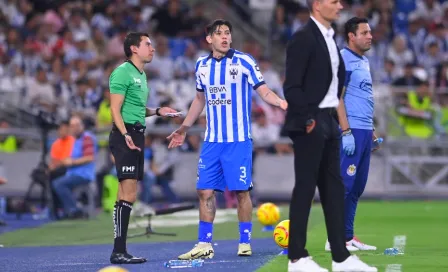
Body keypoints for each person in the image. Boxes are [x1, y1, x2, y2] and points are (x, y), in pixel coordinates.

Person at [167, 19, 287, 260]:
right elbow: (199, 100)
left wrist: (282, 102)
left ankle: (244, 242)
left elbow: (262, 90)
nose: (224, 37)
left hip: (238, 140)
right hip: (212, 141)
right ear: (209, 39)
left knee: (242, 192)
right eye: (219, 33)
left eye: (227, 33)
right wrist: (183, 128)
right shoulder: (201, 65)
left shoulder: (244, 61)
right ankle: (204, 244)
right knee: (204, 191)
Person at [283, 1, 377, 271]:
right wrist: (308, 119)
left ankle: (341, 257)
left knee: (334, 190)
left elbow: (333, 87)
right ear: (316, 5)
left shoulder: (330, 39)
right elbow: (291, 86)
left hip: (328, 122)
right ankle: (297, 258)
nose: (340, 5)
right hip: (311, 121)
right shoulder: (302, 38)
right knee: (305, 189)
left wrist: (334, 124)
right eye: (334, 1)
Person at [108, 32, 179, 264]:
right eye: (147, 44)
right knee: (128, 194)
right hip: (125, 135)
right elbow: (115, 110)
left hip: (136, 134)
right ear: (134, 49)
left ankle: (120, 250)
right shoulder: (122, 72)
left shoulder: (141, 74)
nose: (153, 48)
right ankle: (119, 251)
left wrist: (158, 111)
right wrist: (126, 134)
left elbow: (138, 108)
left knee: (125, 194)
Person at [324, 17, 380, 253]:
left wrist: (372, 131)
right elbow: (337, 97)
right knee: (344, 185)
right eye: (365, 32)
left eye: (370, 32)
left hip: (364, 130)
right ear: (351, 36)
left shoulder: (364, 61)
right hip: (351, 130)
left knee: (357, 186)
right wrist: (346, 130)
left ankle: (347, 236)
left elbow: (361, 98)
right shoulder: (343, 60)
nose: (370, 36)